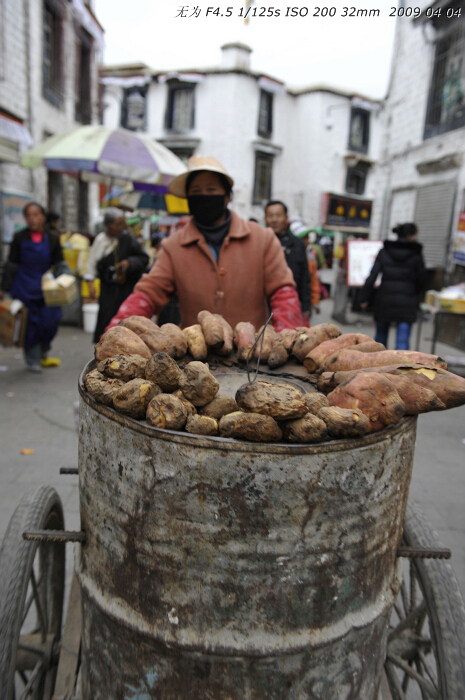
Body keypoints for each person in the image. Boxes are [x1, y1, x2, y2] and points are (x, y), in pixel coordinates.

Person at [107, 155, 303, 332]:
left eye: (211, 190)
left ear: (227, 197)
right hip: (195, 361)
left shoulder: (263, 239)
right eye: (196, 192)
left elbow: (283, 293)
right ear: (189, 200)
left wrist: (287, 336)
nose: (204, 196)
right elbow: (148, 293)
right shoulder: (173, 247)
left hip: (253, 358)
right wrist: (117, 331)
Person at [0, 202, 68, 372]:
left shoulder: (52, 238)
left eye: (36, 214)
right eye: (29, 215)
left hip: (46, 289)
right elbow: (12, 264)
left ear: (43, 217)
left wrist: (65, 279)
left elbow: (59, 263)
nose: (32, 218)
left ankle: (43, 351)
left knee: (50, 322)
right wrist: (4, 287)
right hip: (24, 287)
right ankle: (32, 359)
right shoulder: (19, 238)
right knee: (29, 326)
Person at [83, 207, 149, 342]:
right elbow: (92, 263)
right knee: (106, 319)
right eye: (117, 224)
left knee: (125, 320)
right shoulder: (101, 240)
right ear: (108, 225)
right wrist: (90, 284)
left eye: (121, 224)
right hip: (108, 288)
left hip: (125, 288)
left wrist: (130, 263)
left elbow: (143, 258)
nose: (120, 227)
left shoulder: (128, 239)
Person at [359, 223, 426, 350]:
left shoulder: (385, 251)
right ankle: (401, 368)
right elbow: (422, 280)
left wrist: (364, 298)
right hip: (407, 302)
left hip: (384, 300)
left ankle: (377, 367)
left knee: (380, 340)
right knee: (402, 343)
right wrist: (414, 294)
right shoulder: (416, 255)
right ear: (410, 236)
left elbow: (372, 276)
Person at [264, 200, 311, 324]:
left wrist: (306, 305)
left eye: (278, 215)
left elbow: (304, 276)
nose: (274, 219)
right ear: (265, 218)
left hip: (290, 305)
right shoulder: (259, 244)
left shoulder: (297, 244)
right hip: (263, 306)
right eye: (270, 215)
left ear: (286, 217)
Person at [288, 218, 321, 317]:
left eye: (307, 237)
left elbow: (313, 280)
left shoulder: (311, 256)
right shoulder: (287, 254)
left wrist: (315, 302)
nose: (306, 240)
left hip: (304, 303)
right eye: (303, 238)